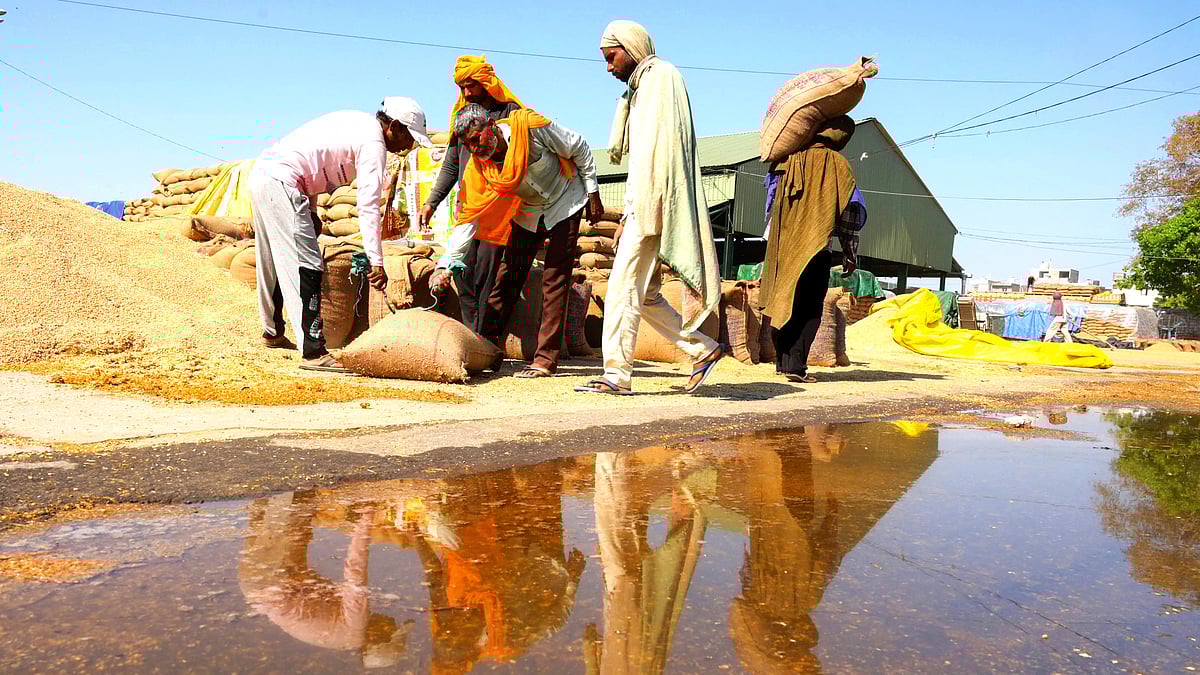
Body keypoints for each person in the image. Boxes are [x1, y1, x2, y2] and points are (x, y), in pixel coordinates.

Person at [575, 20, 723, 396]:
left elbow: (655, 154)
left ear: (632, 48)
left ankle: (616, 375)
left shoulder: (660, 78)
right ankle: (703, 350)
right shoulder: (643, 86)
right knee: (648, 295)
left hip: (653, 203)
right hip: (646, 203)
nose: (609, 67)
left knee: (622, 289)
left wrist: (637, 212)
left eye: (611, 57)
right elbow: (644, 153)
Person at [249, 98, 432, 371]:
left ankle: (272, 331)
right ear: (394, 126)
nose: (408, 145)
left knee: (272, 260)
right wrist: (376, 261)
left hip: (264, 175)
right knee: (308, 264)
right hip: (282, 181)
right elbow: (368, 206)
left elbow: (310, 161)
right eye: (409, 136)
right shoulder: (374, 143)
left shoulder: (357, 122)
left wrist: (311, 209)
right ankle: (313, 351)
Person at [449, 103, 603, 377]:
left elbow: (578, 146)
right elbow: (469, 216)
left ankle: (545, 360)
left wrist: (593, 192)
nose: (474, 149)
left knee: (554, 280)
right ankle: (486, 352)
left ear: (492, 127)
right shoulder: (479, 168)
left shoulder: (529, 129)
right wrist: (447, 263)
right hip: (529, 212)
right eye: (467, 145)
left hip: (565, 202)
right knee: (507, 277)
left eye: (476, 139)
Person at [422, 56, 525, 337]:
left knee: (487, 277)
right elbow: (451, 164)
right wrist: (432, 201)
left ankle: (485, 340)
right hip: (469, 205)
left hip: (500, 210)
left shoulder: (510, 112)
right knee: (463, 273)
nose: (467, 93)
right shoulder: (462, 117)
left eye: (471, 86)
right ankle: (472, 336)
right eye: (462, 88)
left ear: (486, 82)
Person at [759, 116, 864, 384]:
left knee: (783, 300)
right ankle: (795, 366)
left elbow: (770, 202)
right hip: (816, 247)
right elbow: (850, 212)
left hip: (783, 246)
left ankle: (783, 363)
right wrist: (850, 251)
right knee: (808, 308)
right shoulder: (838, 164)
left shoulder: (786, 160)